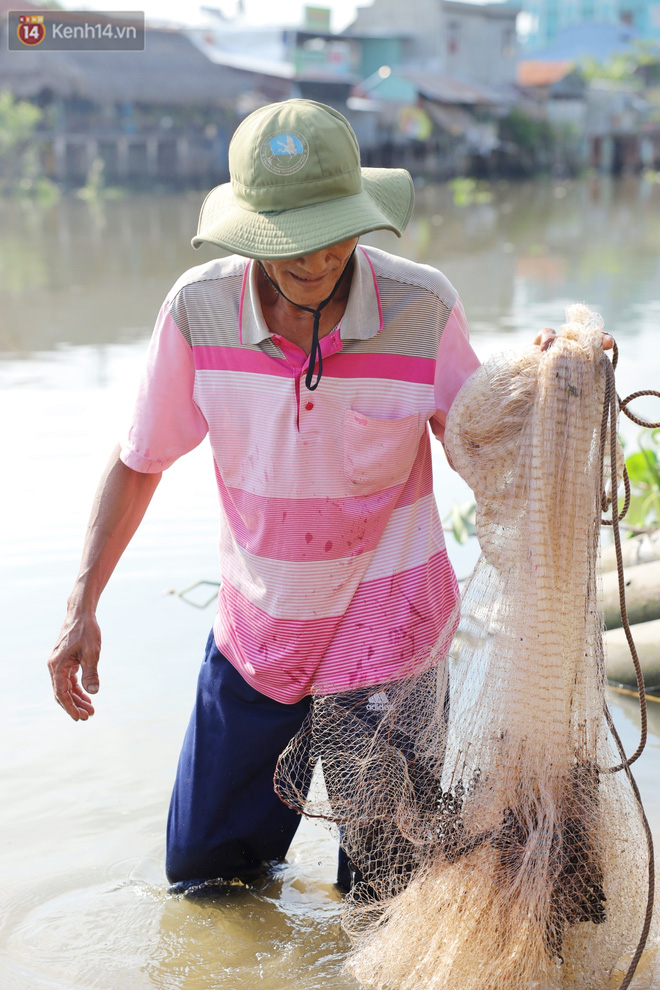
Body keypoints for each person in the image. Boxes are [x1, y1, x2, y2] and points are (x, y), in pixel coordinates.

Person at [46, 98, 531, 893]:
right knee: (206, 883)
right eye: (290, 240)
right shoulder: (198, 311)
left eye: (334, 231)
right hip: (258, 634)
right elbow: (139, 460)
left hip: (390, 643)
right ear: (250, 231)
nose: (317, 257)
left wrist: (543, 392)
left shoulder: (423, 309)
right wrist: (81, 604)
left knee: (383, 895)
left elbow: (490, 453)